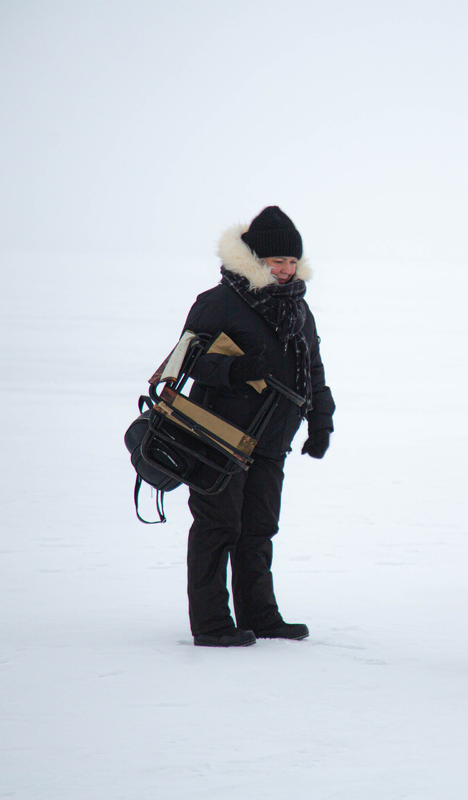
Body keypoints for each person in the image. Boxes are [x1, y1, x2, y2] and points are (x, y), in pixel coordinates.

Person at [181, 206, 335, 647]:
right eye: (276, 262)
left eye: (291, 262)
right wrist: (235, 369)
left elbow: (314, 368)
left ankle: (260, 615)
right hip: (218, 435)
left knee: (259, 528)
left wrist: (321, 420)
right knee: (218, 527)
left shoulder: (298, 308)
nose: (285, 270)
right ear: (255, 259)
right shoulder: (218, 302)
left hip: (270, 439)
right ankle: (211, 623)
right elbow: (185, 364)